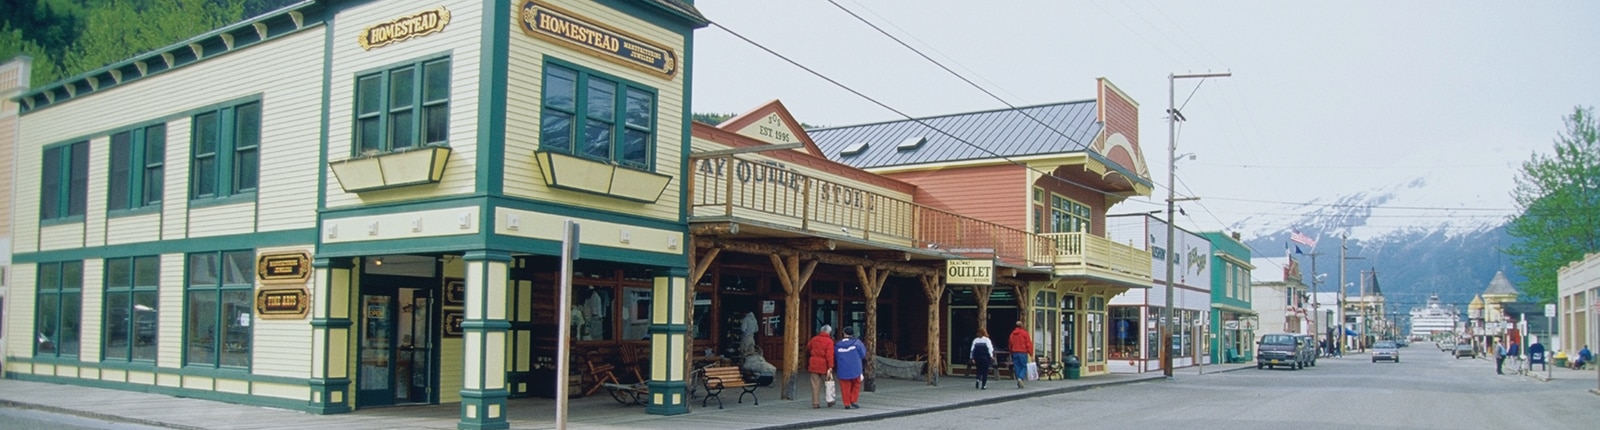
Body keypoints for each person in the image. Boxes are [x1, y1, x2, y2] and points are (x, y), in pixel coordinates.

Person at [834, 326, 868, 409]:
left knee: (845, 386)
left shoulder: (838, 344)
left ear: (844, 333)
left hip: (843, 367)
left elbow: (835, 355)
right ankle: (853, 400)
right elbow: (863, 354)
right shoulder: (858, 343)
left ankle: (846, 403)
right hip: (855, 367)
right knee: (856, 384)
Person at [806, 325, 836, 408]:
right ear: (829, 332)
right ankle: (830, 400)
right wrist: (830, 366)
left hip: (813, 363)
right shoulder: (829, 341)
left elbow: (808, 348)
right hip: (824, 364)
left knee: (815, 384)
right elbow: (829, 355)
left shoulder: (814, 339)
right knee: (828, 383)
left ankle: (815, 403)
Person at [1009, 320, 1033, 388]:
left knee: (1017, 367)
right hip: (1022, 352)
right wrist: (1031, 354)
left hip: (1015, 352)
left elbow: (1010, 343)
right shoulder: (1025, 333)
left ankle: (1019, 379)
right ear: (1022, 326)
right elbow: (1028, 344)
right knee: (1024, 366)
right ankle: (1020, 378)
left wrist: (1011, 351)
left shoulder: (1012, 334)